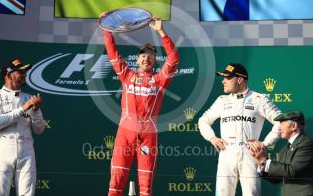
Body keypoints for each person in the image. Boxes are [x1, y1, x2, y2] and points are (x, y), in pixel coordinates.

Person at [101, 14, 179, 196]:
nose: (146, 58)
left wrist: (161, 32)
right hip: (125, 136)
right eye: (143, 56)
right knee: (116, 185)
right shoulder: (127, 75)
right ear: (137, 60)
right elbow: (112, 53)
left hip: (148, 137)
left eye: (151, 56)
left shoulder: (160, 80)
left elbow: (173, 59)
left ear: (154, 61)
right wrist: (107, 28)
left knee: (145, 188)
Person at [198, 63, 282, 196]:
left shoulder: (259, 99)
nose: (223, 81)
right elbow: (203, 121)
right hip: (226, 153)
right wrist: (212, 138)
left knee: (251, 194)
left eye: (227, 78)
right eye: (223, 77)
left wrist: (265, 144)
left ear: (240, 79)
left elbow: (280, 121)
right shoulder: (222, 100)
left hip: (250, 154)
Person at [0, 58, 45, 196]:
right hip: (4, 148)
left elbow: (39, 129)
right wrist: (22, 109)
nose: (24, 74)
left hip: (27, 149)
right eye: (20, 71)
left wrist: (35, 110)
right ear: (8, 74)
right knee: (0, 193)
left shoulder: (29, 98)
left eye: (25, 71)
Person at [249, 110, 313, 196]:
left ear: (294, 126)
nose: (279, 128)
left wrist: (264, 160)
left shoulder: (306, 143)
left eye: (282, 123)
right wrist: (261, 162)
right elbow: (277, 178)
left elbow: (292, 171)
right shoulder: (285, 149)